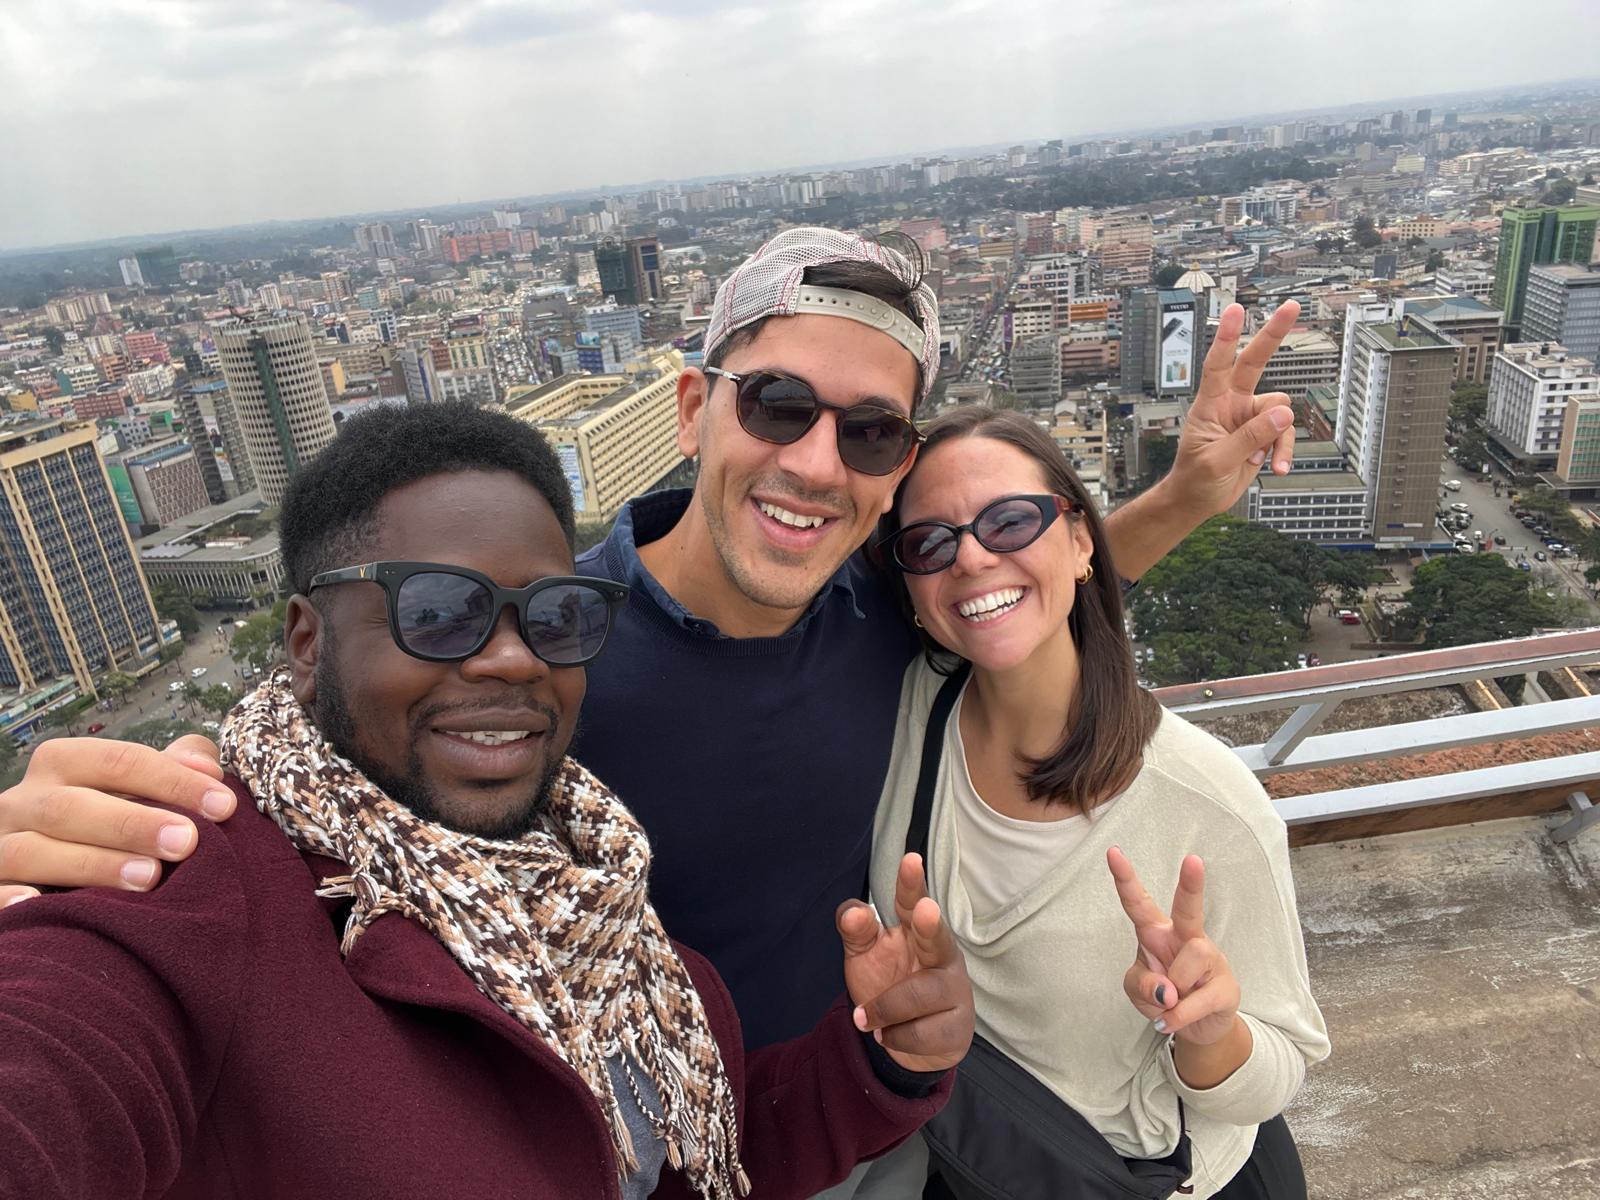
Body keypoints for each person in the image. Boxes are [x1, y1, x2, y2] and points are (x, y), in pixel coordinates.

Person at [0, 229, 1300, 1059]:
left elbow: (1017, 588)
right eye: (776, 405)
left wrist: (1186, 496)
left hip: (860, 1116)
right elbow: (312, 785)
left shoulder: (883, 608)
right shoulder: (539, 650)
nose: (815, 463)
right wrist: (106, 838)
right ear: (692, 409)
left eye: (868, 433)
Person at [0, 405, 977, 1199]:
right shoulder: (185, 885)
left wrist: (880, 1062)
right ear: (306, 642)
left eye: (554, 614)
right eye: (437, 610)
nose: (512, 658)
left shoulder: (599, 908)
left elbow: (690, 1163)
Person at [862, 405, 1330, 1199]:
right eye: (930, 543)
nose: (971, 556)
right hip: (978, 1160)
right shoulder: (904, 709)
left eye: (1011, 521)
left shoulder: (1206, 802)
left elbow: (1279, 1070)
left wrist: (1207, 1033)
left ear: (1081, 542)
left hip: (1144, 1181)